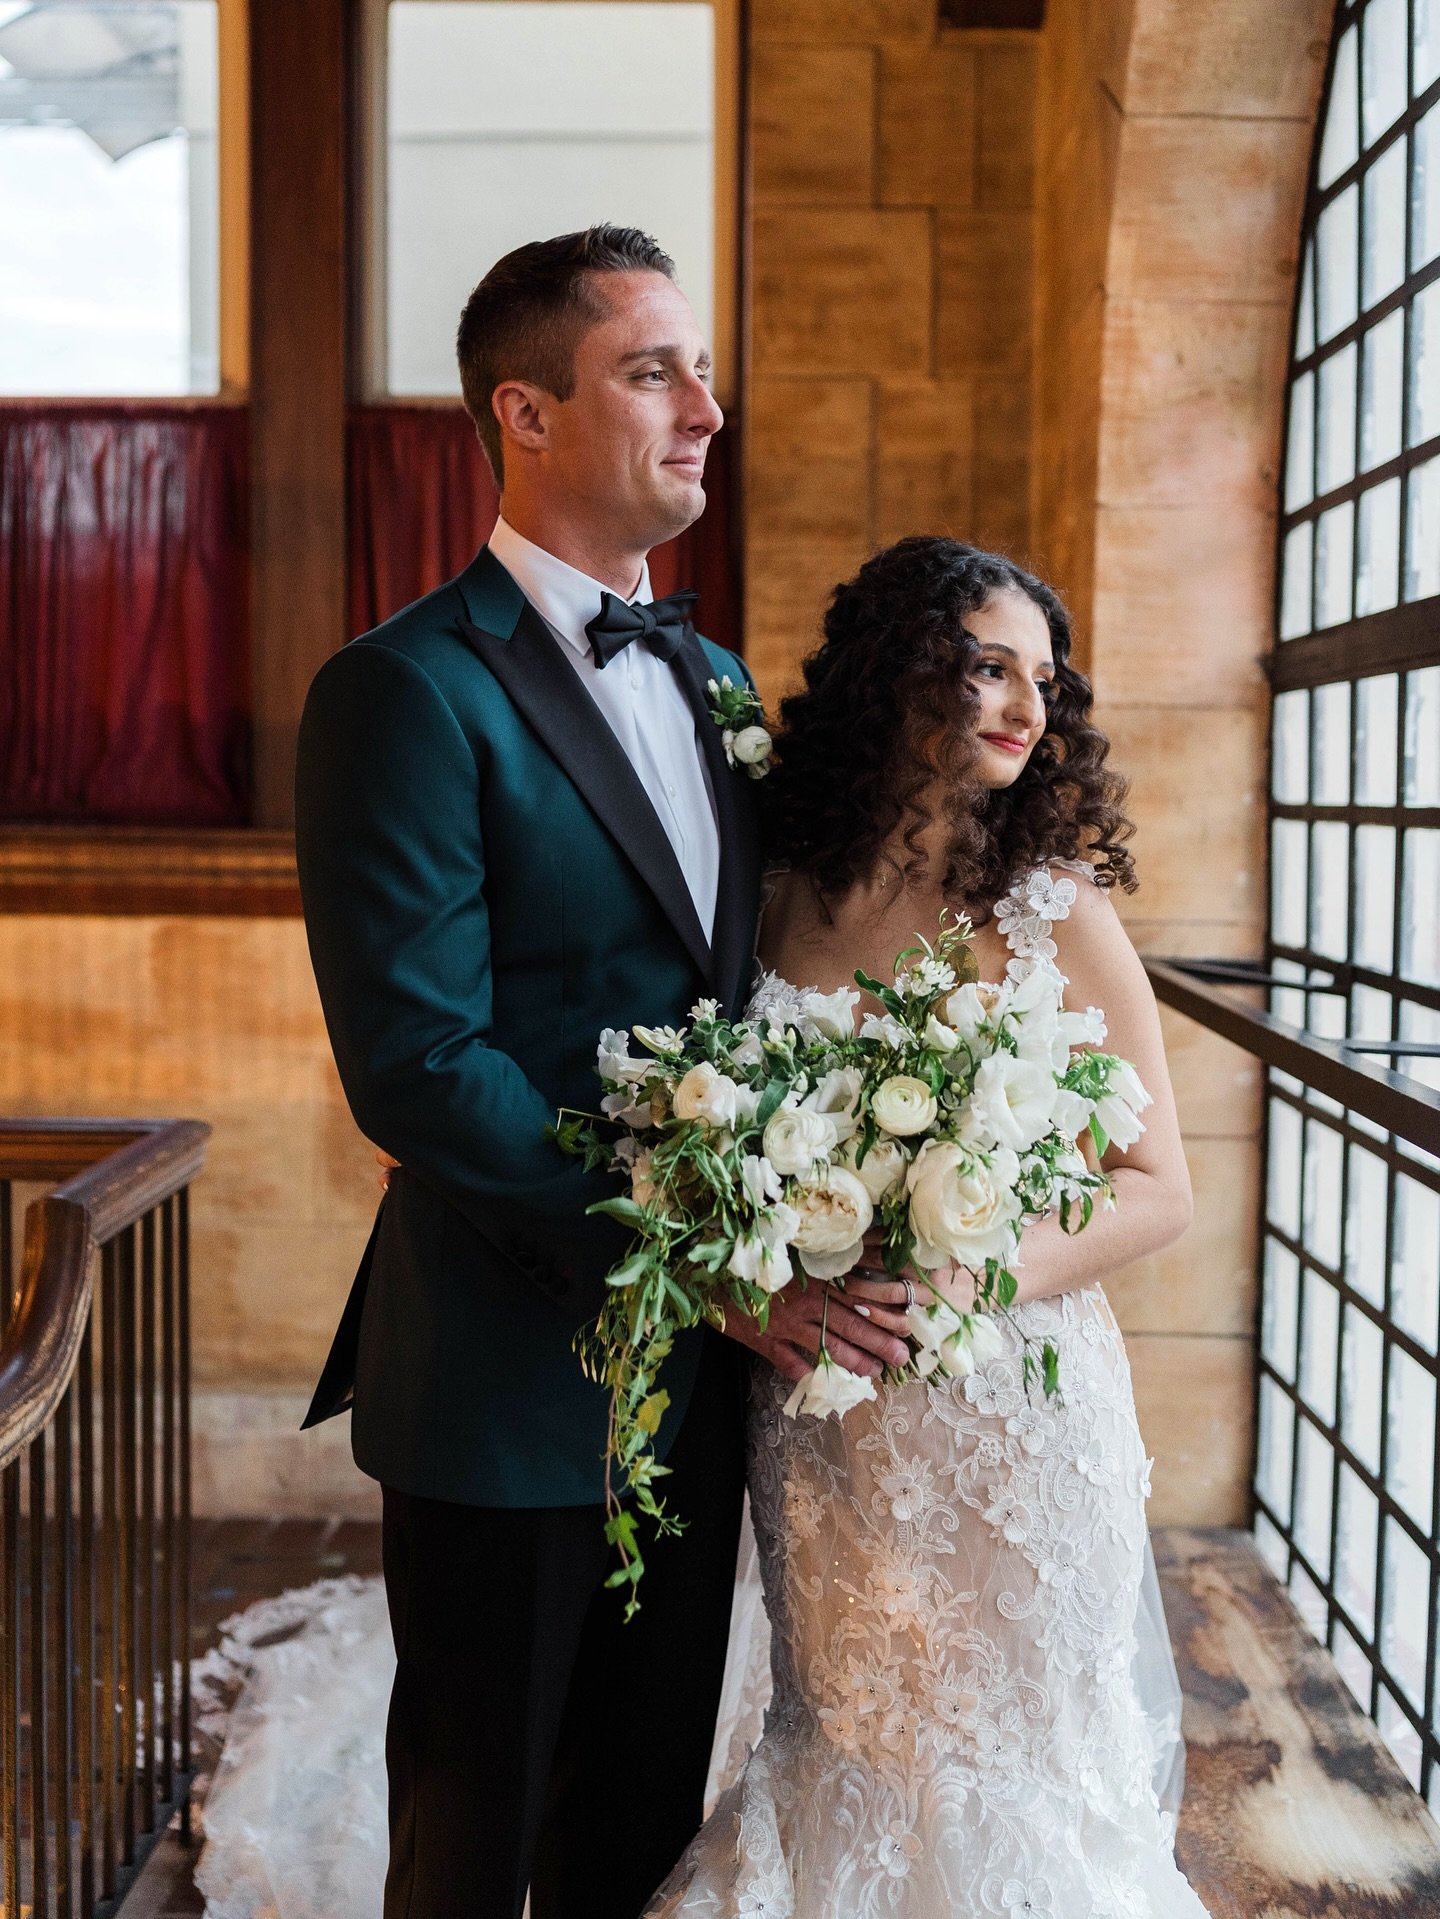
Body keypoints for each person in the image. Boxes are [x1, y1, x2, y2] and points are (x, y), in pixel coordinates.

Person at [291, 226, 907, 1919]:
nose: (709, 405)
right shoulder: (403, 691)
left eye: (703, 369)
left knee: (638, 1827)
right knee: (475, 1846)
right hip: (507, 1371)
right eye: (655, 370)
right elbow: (420, 1063)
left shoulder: (709, 678)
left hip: (710, 1398)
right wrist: (709, 1264)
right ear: (528, 412)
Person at [644, 537, 1211, 1915]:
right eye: (988, 668)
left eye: (1045, 680)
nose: (1026, 704)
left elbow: (1159, 1182)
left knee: (1012, 1775)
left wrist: (972, 1270)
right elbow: (691, 1144)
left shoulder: (1051, 910)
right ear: (901, 675)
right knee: (849, 1742)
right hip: (825, 1419)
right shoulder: (774, 897)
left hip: (1009, 1417)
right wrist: (743, 1268)